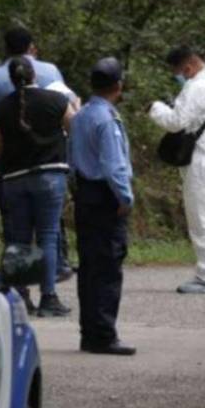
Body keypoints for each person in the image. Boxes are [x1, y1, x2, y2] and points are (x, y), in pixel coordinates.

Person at [0, 26, 78, 281]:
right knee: (49, 229)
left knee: (15, 228)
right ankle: (53, 279)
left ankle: (19, 287)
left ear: (5, 49)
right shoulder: (50, 71)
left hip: (11, 163)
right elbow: (71, 113)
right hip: (50, 161)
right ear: (32, 48)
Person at [0, 57, 75, 317]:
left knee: (19, 238)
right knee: (48, 235)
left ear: (12, 80)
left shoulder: (0, 110)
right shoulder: (58, 102)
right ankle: (49, 297)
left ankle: (21, 296)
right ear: (34, 75)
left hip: (14, 179)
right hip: (50, 176)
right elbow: (73, 129)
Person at [147, 45, 205, 294]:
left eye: (179, 72)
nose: (180, 76)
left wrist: (155, 108)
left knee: (202, 219)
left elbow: (176, 122)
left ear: (188, 66)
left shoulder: (198, 86)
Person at [69, 57, 135, 355]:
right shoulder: (107, 120)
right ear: (118, 86)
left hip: (84, 194)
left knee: (89, 267)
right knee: (108, 267)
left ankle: (90, 332)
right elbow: (113, 166)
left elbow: (71, 158)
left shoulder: (81, 115)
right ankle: (104, 334)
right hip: (104, 196)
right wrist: (125, 198)